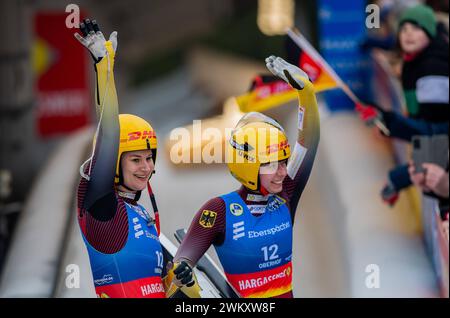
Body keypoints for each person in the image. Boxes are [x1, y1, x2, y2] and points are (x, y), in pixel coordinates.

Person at [166, 56, 320, 298]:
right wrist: (183, 267)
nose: (282, 172)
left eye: (283, 162)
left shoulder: (286, 195)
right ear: (248, 166)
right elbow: (185, 255)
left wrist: (306, 94)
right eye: (271, 164)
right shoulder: (218, 211)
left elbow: (308, 144)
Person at [74, 19, 165, 298]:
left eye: (149, 159)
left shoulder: (139, 212)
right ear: (113, 163)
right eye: (135, 160)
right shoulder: (101, 206)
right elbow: (109, 131)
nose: (146, 167)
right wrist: (104, 67)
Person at [356, 4, 449, 206]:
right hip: (436, 140)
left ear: (429, 32)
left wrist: (388, 121)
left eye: (416, 29)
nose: (409, 34)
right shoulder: (419, 59)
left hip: (441, 140)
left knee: (430, 175)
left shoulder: (433, 69)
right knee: (425, 172)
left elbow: (436, 131)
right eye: (404, 29)